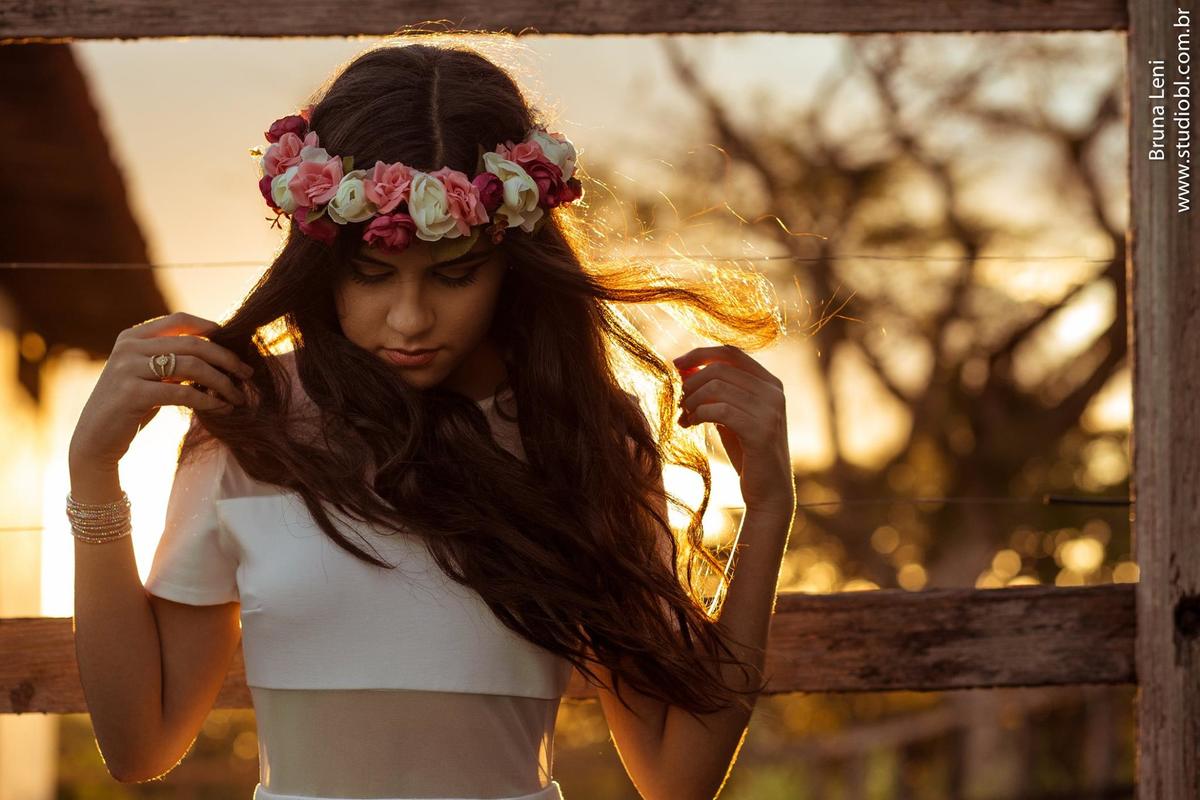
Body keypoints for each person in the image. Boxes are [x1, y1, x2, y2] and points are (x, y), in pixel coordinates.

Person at [67, 35, 797, 800]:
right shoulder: (248, 425)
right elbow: (140, 745)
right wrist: (93, 471)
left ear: (512, 259)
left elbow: (677, 779)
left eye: (455, 275)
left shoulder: (579, 442)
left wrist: (770, 507)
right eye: (371, 273)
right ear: (323, 261)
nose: (409, 319)